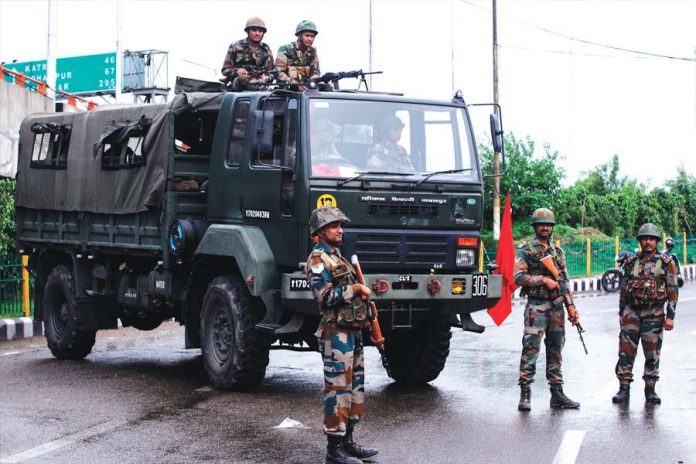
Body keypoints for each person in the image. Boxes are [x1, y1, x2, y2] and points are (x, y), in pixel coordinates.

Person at [306, 206, 378, 464]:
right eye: (334, 226)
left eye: (341, 226)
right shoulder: (317, 260)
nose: (340, 230)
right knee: (337, 390)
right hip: (335, 335)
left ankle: (348, 441)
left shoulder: (338, 257)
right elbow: (325, 297)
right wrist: (355, 289)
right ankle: (334, 450)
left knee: (355, 388)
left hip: (352, 333)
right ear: (321, 230)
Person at [513, 207, 581, 411]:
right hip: (537, 306)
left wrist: (571, 307)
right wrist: (542, 280)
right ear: (535, 226)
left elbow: (564, 281)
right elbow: (518, 277)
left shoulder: (558, 252)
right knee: (531, 348)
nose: (545, 228)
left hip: (557, 307)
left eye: (548, 225)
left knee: (556, 349)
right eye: (541, 225)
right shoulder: (526, 250)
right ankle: (525, 394)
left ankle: (557, 394)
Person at [611, 223, 679, 405]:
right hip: (631, 313)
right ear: (640, 241)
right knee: (625, 351)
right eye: (644, 239)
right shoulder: (631, 261)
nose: (648, 242)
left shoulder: (666, 262)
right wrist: (621, 312)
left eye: (651, 239)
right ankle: (623, 388)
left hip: (654, 314)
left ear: (657, 241)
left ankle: (650, 390)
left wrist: (670, 316)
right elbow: (624, 288)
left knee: (652, 353)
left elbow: (672, 290)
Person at [221, 17, 275, 91]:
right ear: (247, 31)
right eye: (254, 30)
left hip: (260, 83)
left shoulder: (265, 49)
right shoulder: (236, 46)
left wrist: (267, 78)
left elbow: (271, 71)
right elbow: (225, 69)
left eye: (260, 31)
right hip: (239, 83)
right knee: (242, 79)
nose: (257, 33)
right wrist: (237, 71)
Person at [276, 20, 321, 85]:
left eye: (312, 36)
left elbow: (316, 71)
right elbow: (278, 72)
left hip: (307, 87)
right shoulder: (285, 49)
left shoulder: (312, 51)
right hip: (287, 87)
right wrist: (294, 83)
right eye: (307, 35)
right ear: (299, 35)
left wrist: (314, 79)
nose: (310, 39)